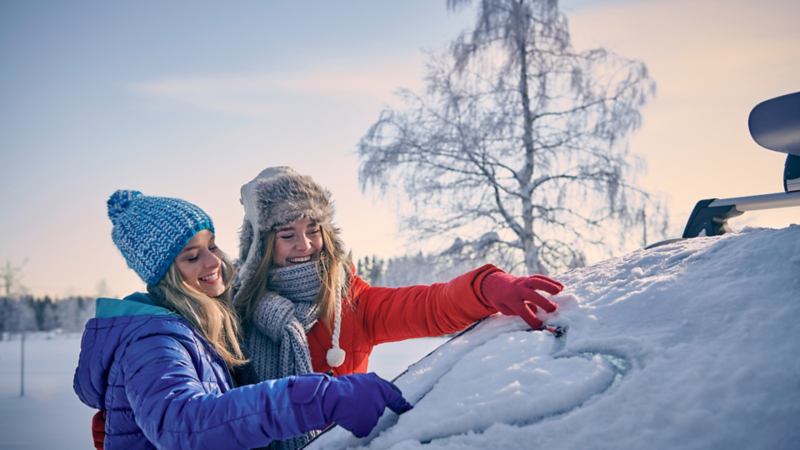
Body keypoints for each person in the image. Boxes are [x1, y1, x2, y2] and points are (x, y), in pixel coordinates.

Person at [232, 167, 565, 449]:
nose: (304, 245)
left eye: (313, 230)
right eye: (287, 234)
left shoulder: (350, 301)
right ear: (260, 245)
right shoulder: (234, 311)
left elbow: (426, 307)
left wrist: (483, 287)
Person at [74, 190, 412, 450]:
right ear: (164, 277)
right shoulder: (154, 341)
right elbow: (185, 423)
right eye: (192, 256)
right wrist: (318, 399)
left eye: (213, 245)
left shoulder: (199, 326)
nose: (213, 262)